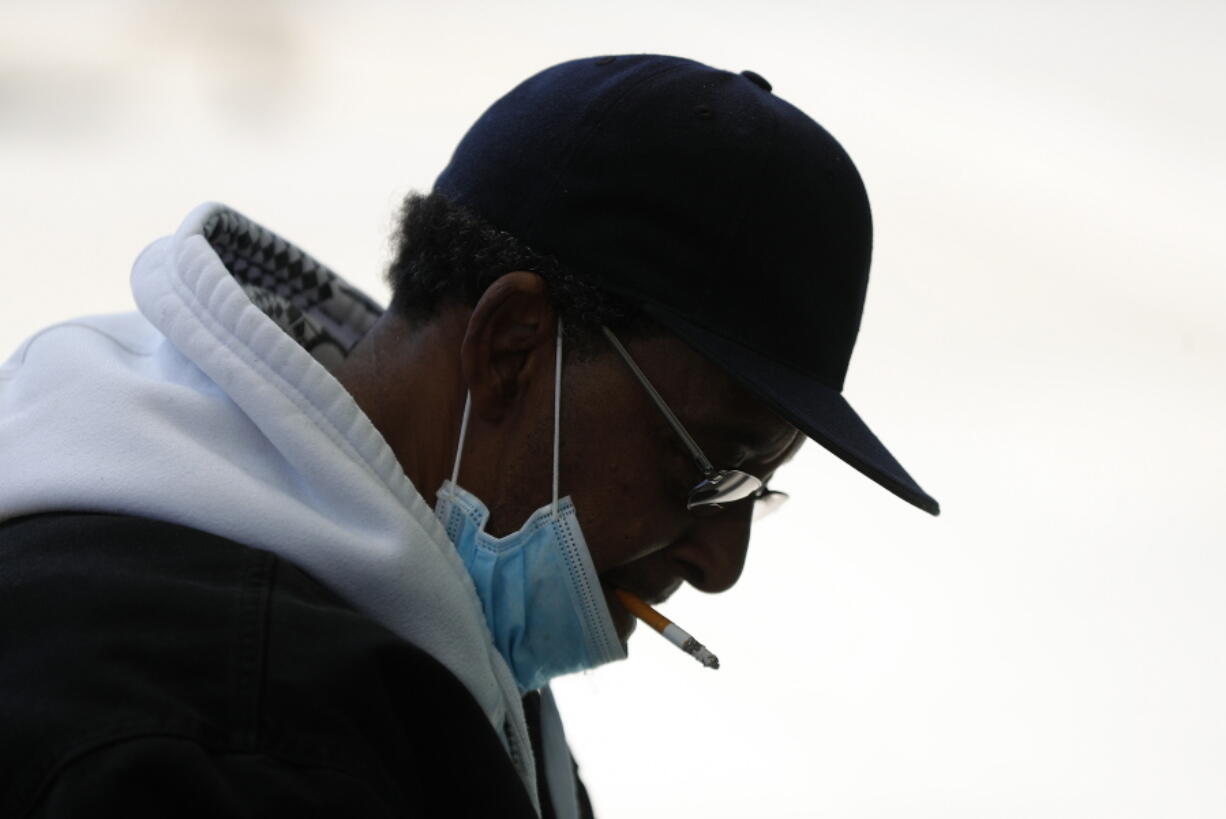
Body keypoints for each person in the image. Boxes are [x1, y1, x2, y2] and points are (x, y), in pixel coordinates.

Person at [0, 54, 939, 818]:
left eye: (756, 489)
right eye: (708, 467)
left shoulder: (399, 619)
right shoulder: (227, 742)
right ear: (513, 348)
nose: (718, 560)